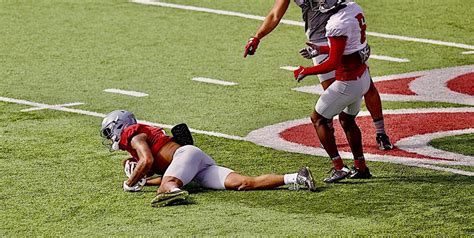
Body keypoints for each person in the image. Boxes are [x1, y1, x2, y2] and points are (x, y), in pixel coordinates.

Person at [243, 0, 393, 151]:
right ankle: (330, 133)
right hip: (319, 38)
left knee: (366, 85)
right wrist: (256, 37)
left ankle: (381, 133)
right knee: (333, 93)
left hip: (342, 31)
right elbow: (275, 15)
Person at [100, 110, 316, 207]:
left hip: (185, 155)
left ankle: (173, 192)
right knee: (243, 183)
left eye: (110, 132)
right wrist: (143, 180)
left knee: (166, 188)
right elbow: (166, 170)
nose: (111, 138)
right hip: (193, 165)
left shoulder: (133, 134)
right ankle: (296, 177)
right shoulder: (139, 143)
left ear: (120, 126)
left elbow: (147, 161)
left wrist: (129, 183)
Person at [290, 0, 376, 182]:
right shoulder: (353, 8)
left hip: (348, 82)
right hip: (363, 77)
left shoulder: (335, 23)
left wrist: (306, 71)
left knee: (318, 119)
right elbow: (347, 45)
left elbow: (332, 63)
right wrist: (321, 49)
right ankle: (361, 167)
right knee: (347, 120)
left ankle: (339, 167)